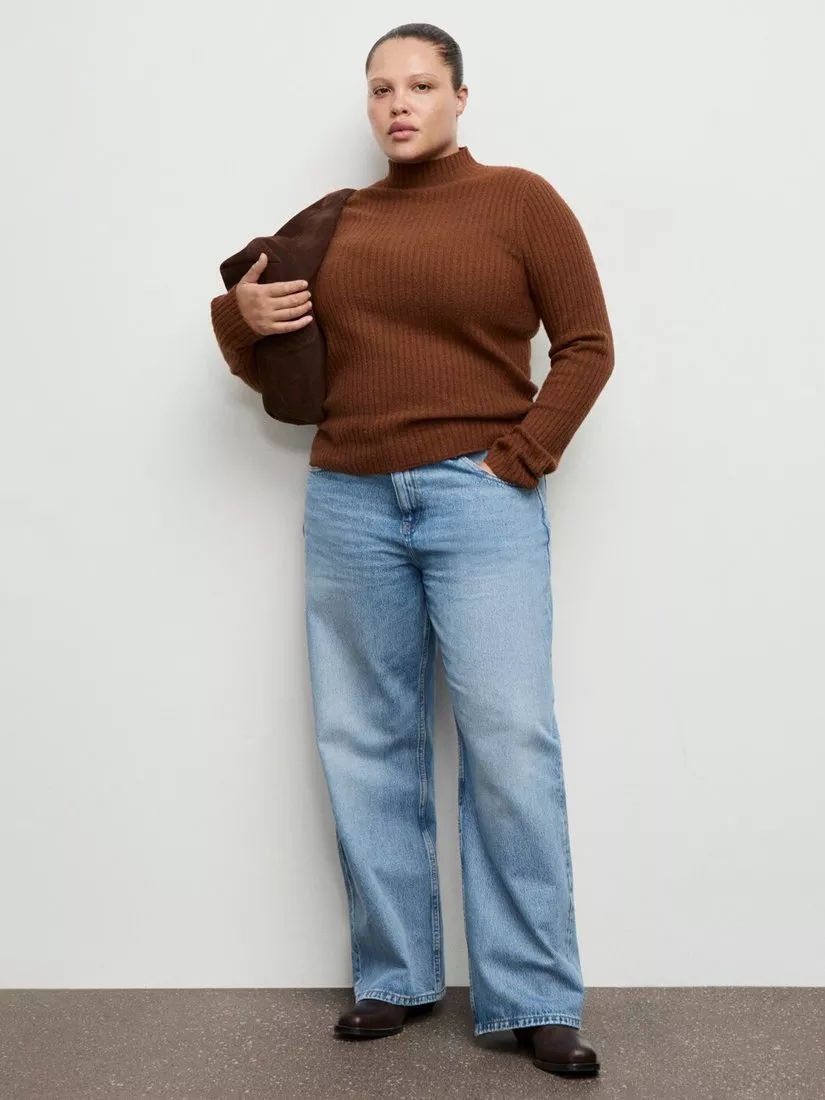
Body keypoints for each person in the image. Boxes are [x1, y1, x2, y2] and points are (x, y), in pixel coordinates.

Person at [219, 21, 614, 1080]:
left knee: (510, 742)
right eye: (382, 89)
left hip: (480, 500)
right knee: (365, 738)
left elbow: (587, 345)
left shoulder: (520, 202)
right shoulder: (337, 221)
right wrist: (239, 316)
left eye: (422, 85)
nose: (400, 104)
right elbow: (265, 349)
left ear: (460, 98)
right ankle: (394, 976)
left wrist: (518, 457)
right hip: (348, 499)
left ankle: (534, 996)